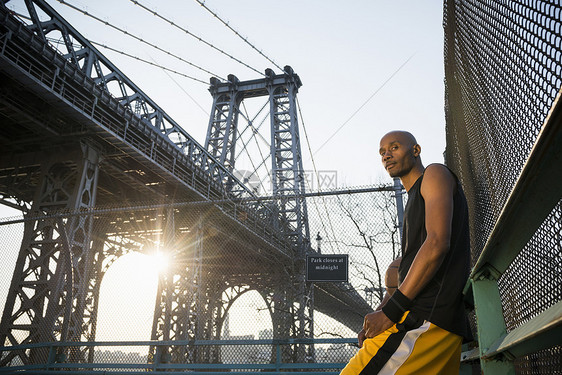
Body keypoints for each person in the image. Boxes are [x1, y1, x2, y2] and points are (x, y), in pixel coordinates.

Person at [341, 131, 472, 374]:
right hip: (429, 323)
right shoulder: (414, 199)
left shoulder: (435, 174)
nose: (386, 154)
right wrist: (381, 311)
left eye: (394, 147)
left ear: (416, 150)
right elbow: (413, 265)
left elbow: (436, 244)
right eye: (382, 152)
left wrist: (389, 313)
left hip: (425, 320)